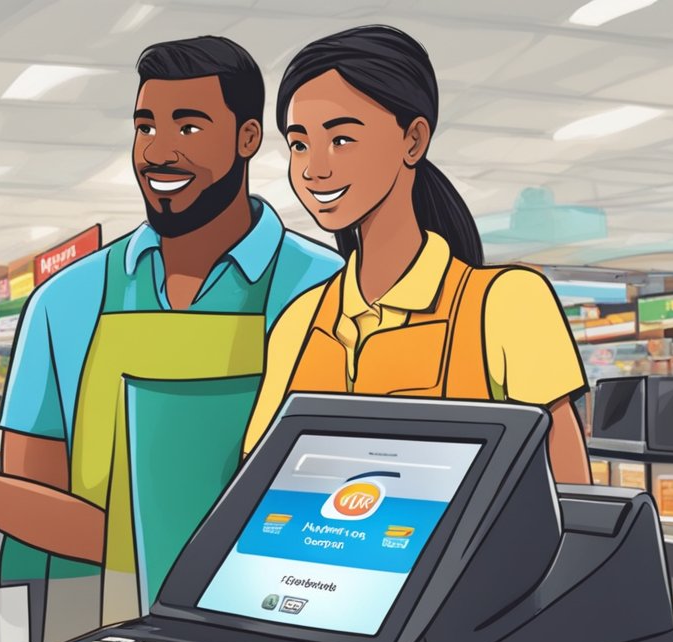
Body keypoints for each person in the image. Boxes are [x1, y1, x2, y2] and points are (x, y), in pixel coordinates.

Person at [0, 37, 343, 642]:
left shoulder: (324, 293)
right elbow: (35, 513)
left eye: (189, 128)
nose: (159, 151)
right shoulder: (64, 303)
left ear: (248, 138)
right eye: (145, 127)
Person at [243, 26, 591, 483]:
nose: (314, 169)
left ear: (414, 140)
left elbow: (572, 502)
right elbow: (258, 486)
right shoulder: (300, 322)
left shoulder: (506, 304)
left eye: (341, 139)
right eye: (299, 144)